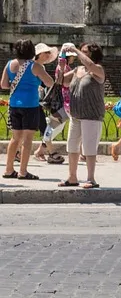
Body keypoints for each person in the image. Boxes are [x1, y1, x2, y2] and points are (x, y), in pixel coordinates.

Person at [1, 40, 55, 180]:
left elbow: (4, 85)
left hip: (14, 105)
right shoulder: (35, 66)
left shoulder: (9, 64)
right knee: (27, 140)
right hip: (30, 106)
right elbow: (50, 83)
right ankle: (23, 171)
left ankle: (8, 169)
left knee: (15, 138)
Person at [57, 43, 106, 189]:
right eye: (81, 51)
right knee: (72, 145)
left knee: (89, 147)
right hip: (76, 114)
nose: (80, 54)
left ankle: (91, 179)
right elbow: (60, 80)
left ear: (93, 54)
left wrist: (76, 50)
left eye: (85, 52)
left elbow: (90, 65)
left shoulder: (98, 70)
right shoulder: (77, 70)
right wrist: (61, 65)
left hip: (92, 115)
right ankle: (72, 177)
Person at [36, 47, 77, 165]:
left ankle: (43, 150)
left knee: (56, 126)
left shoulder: (65, 67)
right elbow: (59, 81)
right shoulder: (62, 67)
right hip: (61, 101)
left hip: (65, 101)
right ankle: (44, 151)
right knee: (54, 126)